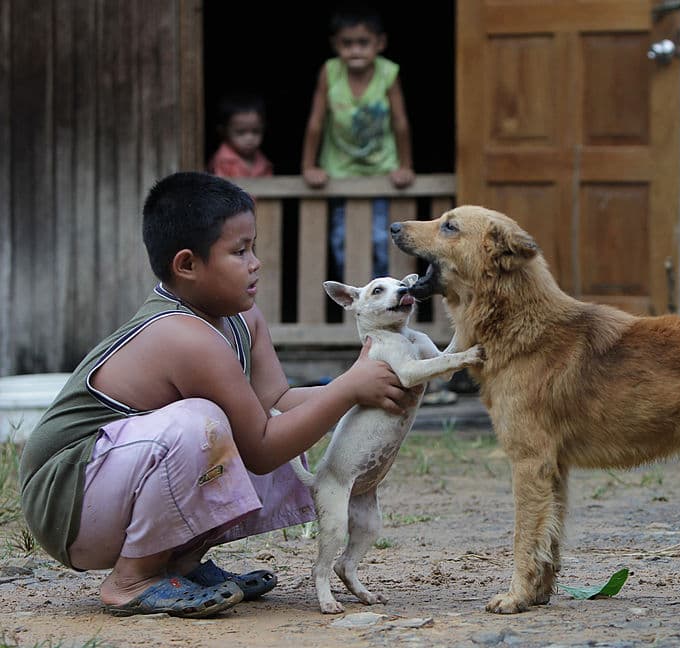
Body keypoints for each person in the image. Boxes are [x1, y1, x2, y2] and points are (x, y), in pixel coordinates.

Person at [18, 172, 421, 618]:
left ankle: (182, 562)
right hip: (65, 500)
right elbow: (264, 449)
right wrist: (347, 387)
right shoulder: (183, 335)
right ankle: (132, 579)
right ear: (187, 265)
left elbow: (281, 401)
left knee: (268, 422)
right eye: (239, 251)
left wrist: (364, 386)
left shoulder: (243, 320)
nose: (255, 263)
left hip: (112, 490)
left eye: (253, 247)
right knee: (202, 424)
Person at [301, 5, 414, 280]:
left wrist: (405, 165)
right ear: (335, 45)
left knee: (380, 239)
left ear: (380, 43)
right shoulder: (330, 72)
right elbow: (316, 121)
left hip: (380, 171)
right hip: (339, 171)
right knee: (342, 241)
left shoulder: (388, 73)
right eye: (347, 43)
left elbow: (400, 122)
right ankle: (354, 297)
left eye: (363, 43)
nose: (355, 50)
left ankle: (384, 296)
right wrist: (309, 166)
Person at [208, 93, 274, 178]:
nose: (249, 138)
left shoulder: (263, 161)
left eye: (256, 131)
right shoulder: (221, 161)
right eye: (240, 132)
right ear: (223, 132)